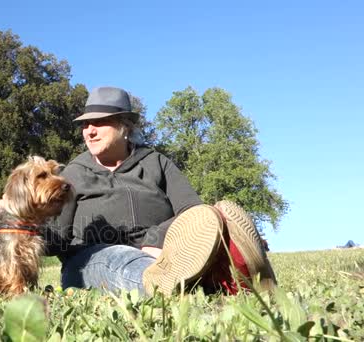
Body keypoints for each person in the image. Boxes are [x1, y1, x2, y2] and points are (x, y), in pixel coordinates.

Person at [46, 86, 277, 296]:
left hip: (164, 255)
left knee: (215, 214)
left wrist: (156, 238)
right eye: (85, 125)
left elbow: (194, 212)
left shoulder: (156, 162)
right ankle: (181, 280)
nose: (89, 131)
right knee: (116, 257)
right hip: (90, 261)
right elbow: (55, 239)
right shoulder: (72, 175)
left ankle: (239, 268)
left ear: (125, 125)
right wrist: (20, 224)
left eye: (99, 122)